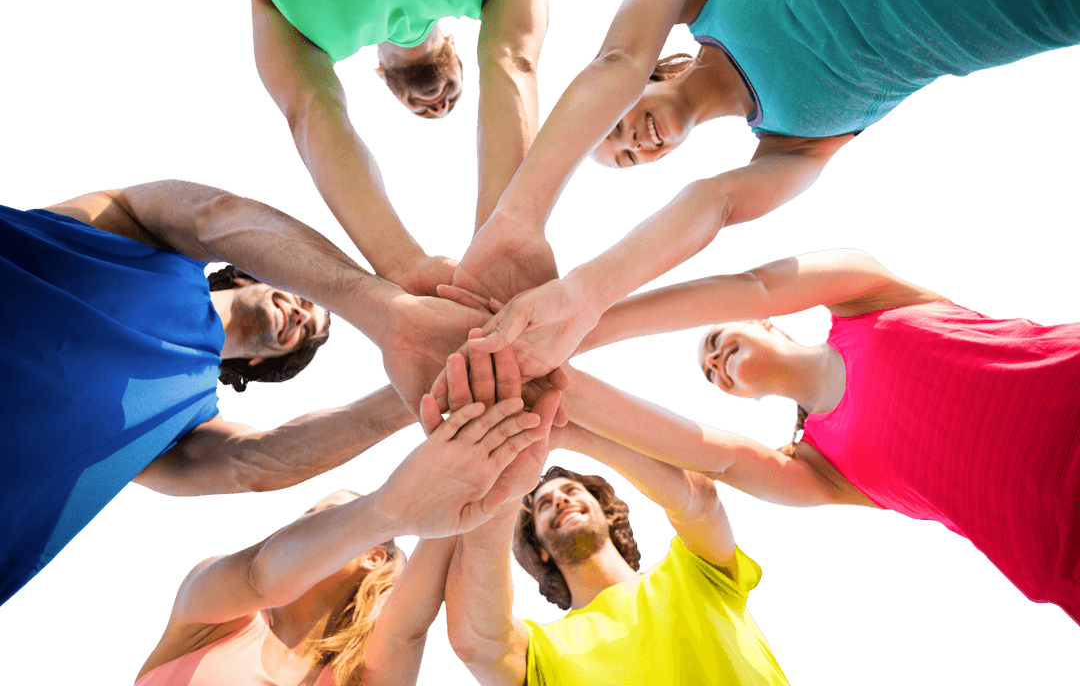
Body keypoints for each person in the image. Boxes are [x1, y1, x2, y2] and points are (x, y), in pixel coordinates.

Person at [446, 0, 1080, 374]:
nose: (631, 142)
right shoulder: (792, 147)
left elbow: (616, 60)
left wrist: (517, 220)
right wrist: (583, 301)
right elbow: (710, 207)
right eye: (629, 159)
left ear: (647, 80)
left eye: (613, 126)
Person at [0, 178, 504, 604]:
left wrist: (432, 388)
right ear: (250, 275)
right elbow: (215, 217)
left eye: (307, 332)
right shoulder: (140, 235)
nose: (304, 313)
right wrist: (387, 311)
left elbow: (256, 464)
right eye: (307, 298)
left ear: (264, 362)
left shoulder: (187, 422)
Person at [553, 248, 1080, 624]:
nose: (713, 362)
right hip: (1065, 543)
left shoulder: (865, 298)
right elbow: (718, 458)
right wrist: (561, 388)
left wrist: (580, 327)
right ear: (744, 399)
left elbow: (757, 284)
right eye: (711, 376)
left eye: (713, 339)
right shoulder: (817, 468)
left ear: (762, 322)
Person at [135, 378, 557, 685]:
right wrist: (385, 513)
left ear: (373, 557)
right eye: (309, 519)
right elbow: (260, 576)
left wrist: (494, 478)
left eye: (325, 515)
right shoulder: (214, 616)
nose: (304, 527)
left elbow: (407, 629)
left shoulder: (358, 676)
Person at [442, 350, 790, 685]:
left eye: (572, 491)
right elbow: (477, 644)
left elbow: (698, 500)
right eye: (544, 505)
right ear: (541, 549)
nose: (560, 499)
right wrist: (506, 477)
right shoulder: (541, 651)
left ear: (607, 514)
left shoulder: (694, 572)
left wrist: (568, 429)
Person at [246, 0, 549, 296]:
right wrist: (499, 237)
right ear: (453, 48)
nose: (438, 106)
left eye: (423, 111)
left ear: (381, 76)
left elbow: (310, 109)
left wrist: (403, 265)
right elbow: (512, 58)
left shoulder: (302, 31)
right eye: (453, 97)